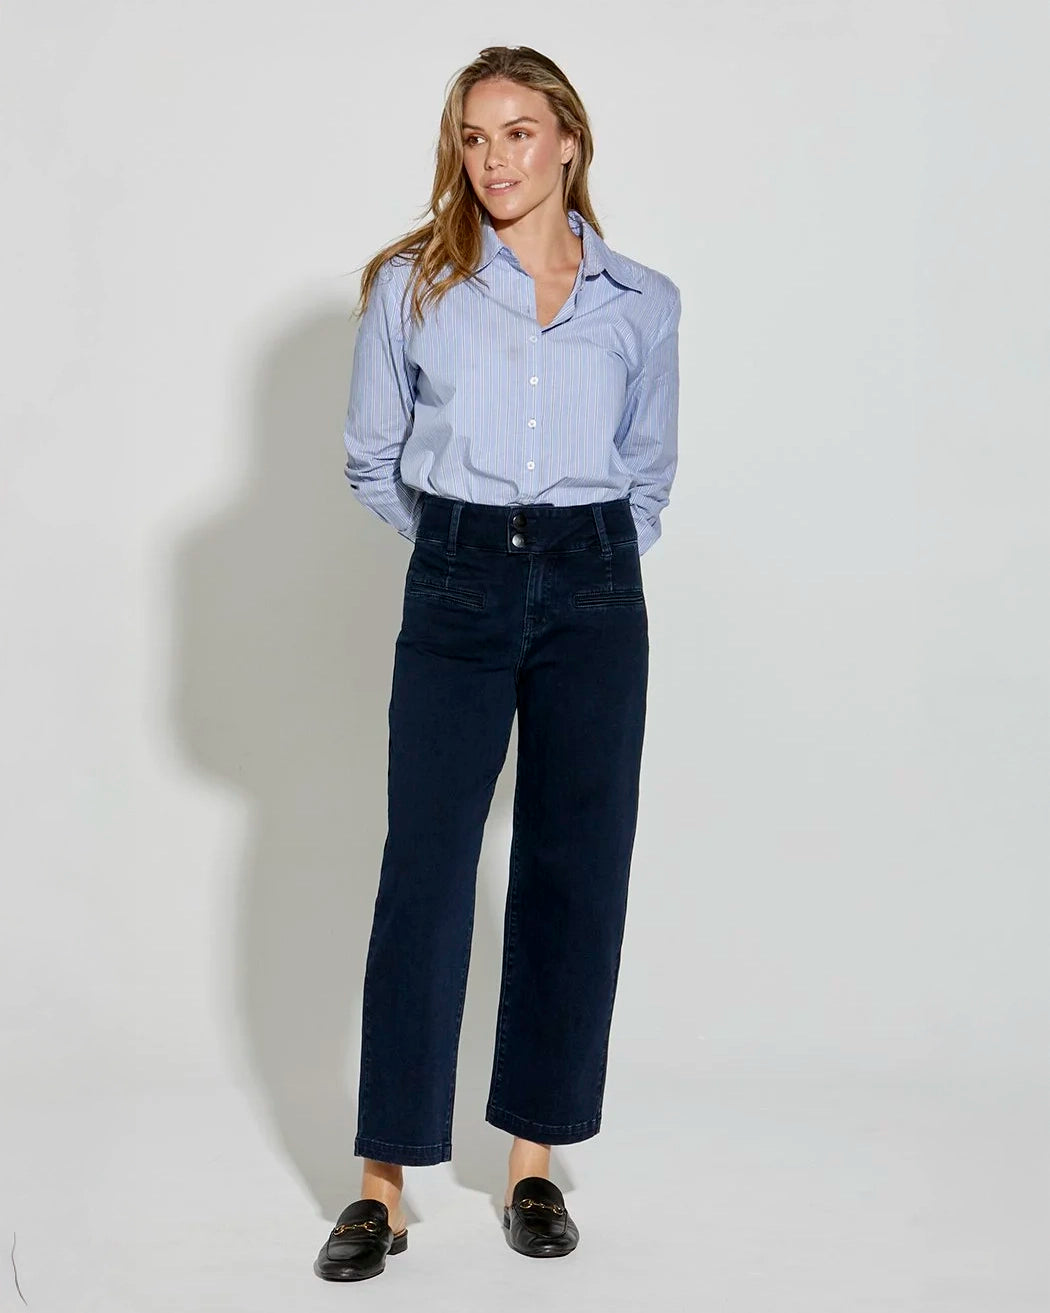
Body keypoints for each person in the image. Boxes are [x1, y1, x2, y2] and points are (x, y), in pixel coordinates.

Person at [314, 44, 681, 1282]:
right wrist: (464, 552)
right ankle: (381, 1184)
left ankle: (532, 1162)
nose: (494, 159)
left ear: (568, 139)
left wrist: (579, 561)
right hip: (459, 572)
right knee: (423, 868)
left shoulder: (643, 301)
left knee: (576, 867)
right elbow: (373, 458)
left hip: (595, 582)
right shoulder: (411, 286)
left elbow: (648, 472)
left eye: (518, 132)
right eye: (474, 137)